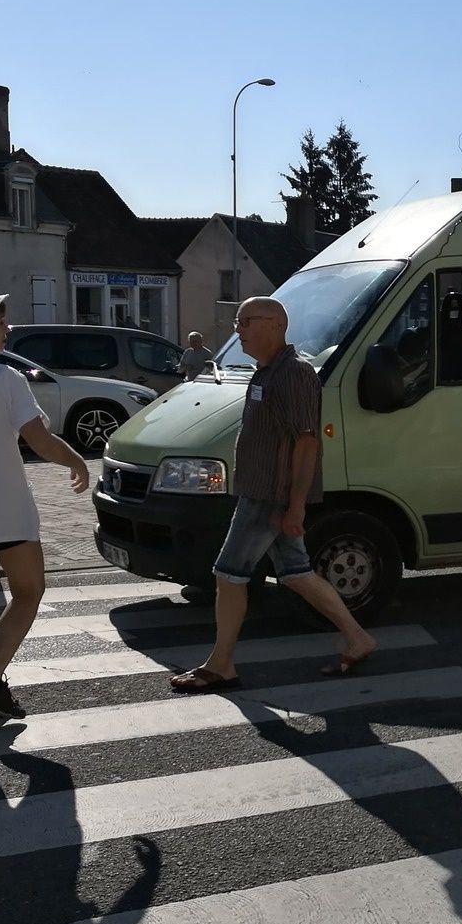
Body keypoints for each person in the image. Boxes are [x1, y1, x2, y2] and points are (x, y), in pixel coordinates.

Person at [170, 296, 376, 694]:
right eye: (237, 322)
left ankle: (221, 664)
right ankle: (357, 638)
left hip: (270, 496)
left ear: (274, 325)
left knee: (228, 575)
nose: (237, 330)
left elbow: (307, 443)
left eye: (244, 322)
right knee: (297, 573)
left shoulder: (293, 374)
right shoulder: (266, 372)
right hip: (265, 491)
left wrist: (296, 504)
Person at [0, 283, 90, 723]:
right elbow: (40, 439)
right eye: (0, 319)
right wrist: (77, 460)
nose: (6, 327)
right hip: (5, 505)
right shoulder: (4, 377)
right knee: (29, 592)